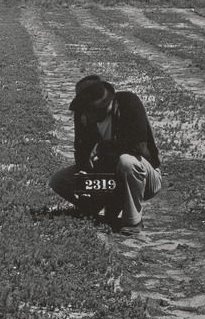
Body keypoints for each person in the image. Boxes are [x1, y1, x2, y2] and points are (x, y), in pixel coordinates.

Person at [49, 75, 162, 235]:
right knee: (59, 181)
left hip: (144, 177)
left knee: (127, 162)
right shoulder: (83, 117)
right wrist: (87, 177)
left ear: (99, 107)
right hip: (106, 176)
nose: (84, 116)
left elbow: (138, 145)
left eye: (87, 112)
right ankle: (96, 207)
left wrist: (103, 148)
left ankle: (132, 221)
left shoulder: (129, 103)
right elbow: (80, 153)